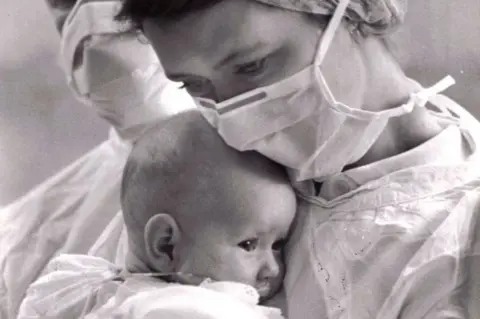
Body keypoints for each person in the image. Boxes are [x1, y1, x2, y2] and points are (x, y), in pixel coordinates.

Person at [115, 0, 480, 318]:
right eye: (193, 85)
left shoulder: (461, 234)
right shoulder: (197, 171)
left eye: (252, 66)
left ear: (361, 9)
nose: (236, 124)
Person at [17, 109, 295, 318]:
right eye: (248, 245)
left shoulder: (77, 290)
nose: (272, 268)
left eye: (279, 245)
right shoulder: (189, 309)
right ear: (166, 245)